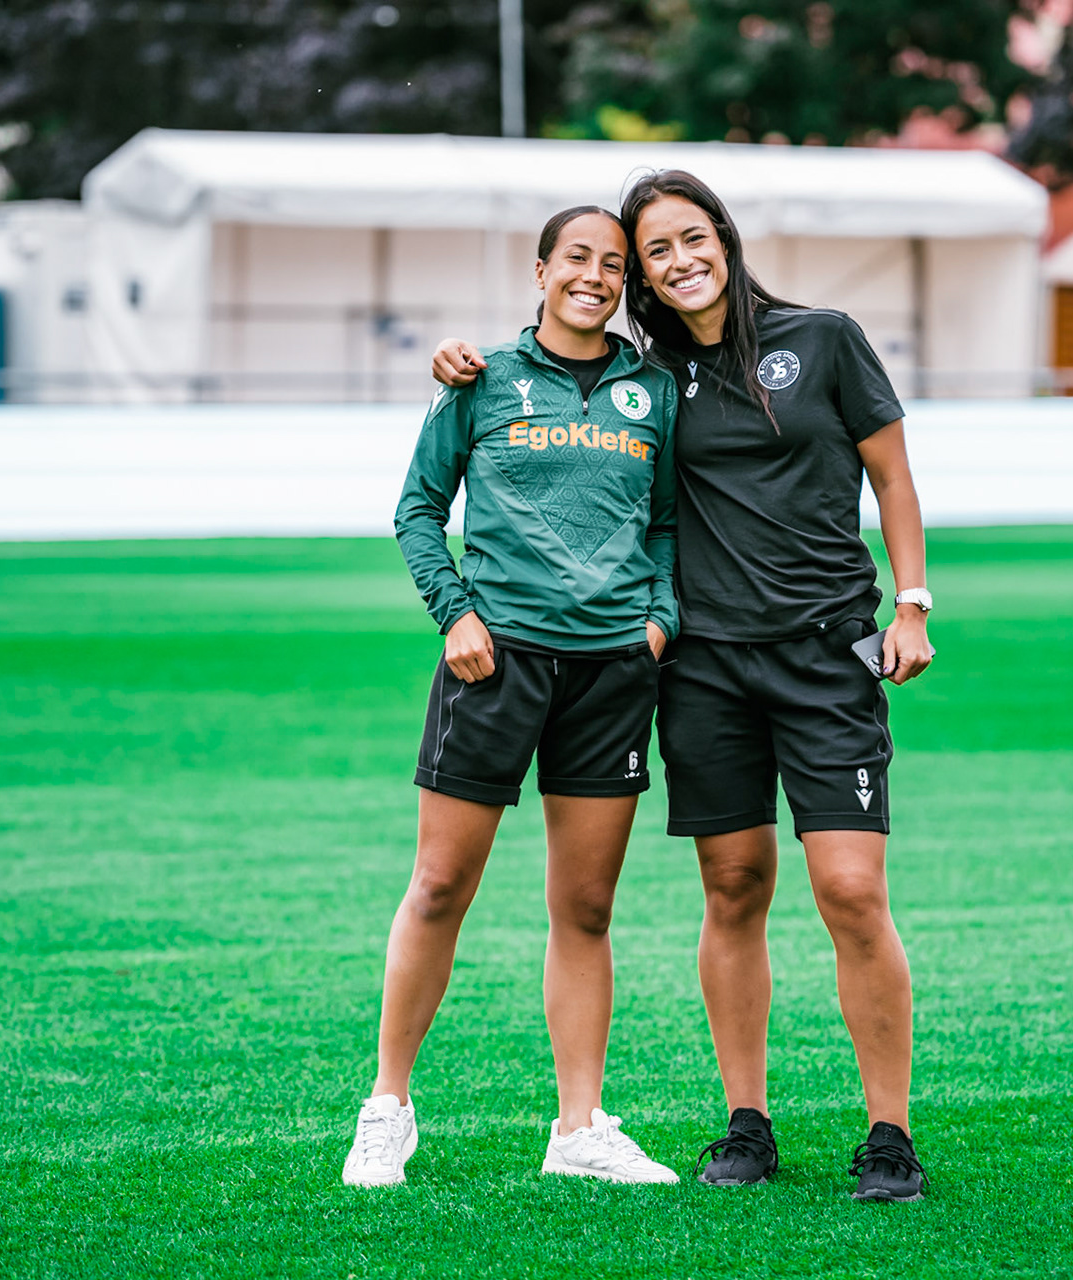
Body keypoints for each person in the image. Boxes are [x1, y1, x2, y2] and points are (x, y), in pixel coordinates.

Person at [429, 170, 936, 1202]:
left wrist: (913, 603)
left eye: (690, 238)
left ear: (724, 238)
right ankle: (746, 1122)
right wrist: (459, 361)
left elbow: (892, 473)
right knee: (734, 885)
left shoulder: (824, 337)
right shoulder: (651, 377)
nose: (678, 260)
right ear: (644, 278)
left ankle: (891, 1132)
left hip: (826, 653)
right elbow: (551, 366)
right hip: (702, 668)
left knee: (849, 887)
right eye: (655, 251)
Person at [341, 206, 684, 1188]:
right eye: (577, 258)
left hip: (612, 672)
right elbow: (417, 507)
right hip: (493, 664)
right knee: (441, 886)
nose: (596, 276)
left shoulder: (652, 392)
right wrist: (454, 613)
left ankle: (580, 1127)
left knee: (584, 903)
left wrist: (654, 622)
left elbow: (665, 528)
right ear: (541, 270)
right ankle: (388, 1106)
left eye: (614, 265)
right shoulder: (481, 376)